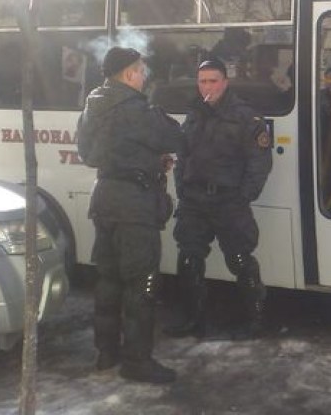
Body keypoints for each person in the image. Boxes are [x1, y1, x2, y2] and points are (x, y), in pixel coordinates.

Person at [77, 46, 183, 384]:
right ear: (127, 74)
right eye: (140, 70)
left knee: (108, 279)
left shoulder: (92, 104)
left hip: (105, 199)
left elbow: (89, 153)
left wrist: (147, 161)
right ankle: (137, 361)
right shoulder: (135, 108)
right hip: (134, 206)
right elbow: (175, 137)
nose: (144, 75)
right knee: (143, 283)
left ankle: (106, 352)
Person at [166, 57, 273, 340]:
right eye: (202, 81)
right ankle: (193, 319)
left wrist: (243, 197)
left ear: (225, 82)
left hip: (229, 201)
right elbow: (182, 157)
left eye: (213, 81)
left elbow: (259, 163)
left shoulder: (245, 117)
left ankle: (256, 320)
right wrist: (184, 190)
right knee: (189, 259)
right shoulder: (194, 114)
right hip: (195, 200)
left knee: (240, 259)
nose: (207, 87)